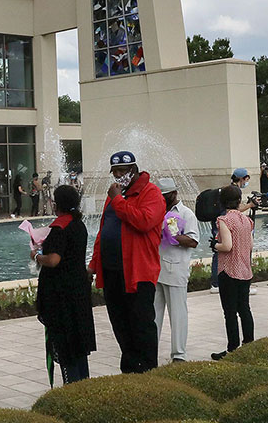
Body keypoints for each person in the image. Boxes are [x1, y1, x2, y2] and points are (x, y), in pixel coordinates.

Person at [89, 151, 164, 374]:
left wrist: (118, 201)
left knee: (141, 324)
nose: (118, 175)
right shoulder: (115, 196)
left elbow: (143, 221)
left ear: (134, 170)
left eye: (123, 171)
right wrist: (94, 263)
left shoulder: (151, 193)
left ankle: (148, 370)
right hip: (113, 272)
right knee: (120, 323)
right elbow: (104, 232)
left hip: (138, 273)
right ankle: (130, 369)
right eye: (115, 172)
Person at [34, 185, 95, 382]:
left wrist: (36, 255)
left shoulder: (60, 227)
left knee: (66, 342)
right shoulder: (79, 225)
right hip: (78, 288)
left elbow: (53, 260)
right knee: (79, 343)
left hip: (61, 293)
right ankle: (84, 382)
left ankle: (71, 384)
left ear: (57, 203)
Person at [154, 179, 199, 363]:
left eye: (163, 197)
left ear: (173, 194)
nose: (161, 200)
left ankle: (179, 354)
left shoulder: (186, 214)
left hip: (176, 269)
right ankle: (151, 351)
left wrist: (173, 235)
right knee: (153, 315)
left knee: (178, 315)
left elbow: (194, 241)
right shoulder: (157, 212)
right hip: (157, 269)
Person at [210, 185, 255, 355]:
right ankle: (249, 345)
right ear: (239, 201)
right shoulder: (247, 221)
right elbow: (250, 245)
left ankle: (232, 349)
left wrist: (215, 245)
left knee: (229, 312)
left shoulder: (224, 220)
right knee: (244, 309)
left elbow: (227, 246)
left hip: (228, 271)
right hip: (245, 271)